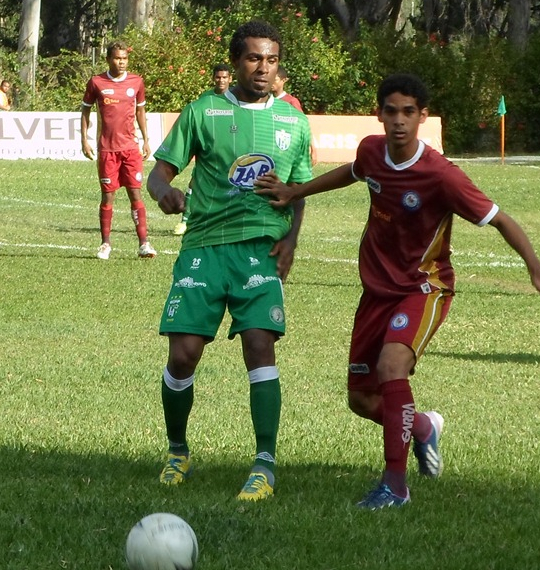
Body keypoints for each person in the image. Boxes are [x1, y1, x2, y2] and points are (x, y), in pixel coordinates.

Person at [255, 73, 540, 509]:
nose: (399, 121)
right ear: (379, 114)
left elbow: (499, 218)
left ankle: (395, 486)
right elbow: (352, 172)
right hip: (376, 291)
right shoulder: (372, 150)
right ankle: (423, 427)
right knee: (362, 400)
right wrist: (297, 192)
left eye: (409, 112)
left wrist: (535, 266)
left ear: (423, 116)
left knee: (392, 367)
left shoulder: (441, 175)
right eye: (391, 111)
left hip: (424, 288)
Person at [145, 20, 311, 501]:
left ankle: (265, 464)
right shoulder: (203, 111)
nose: (263, 68)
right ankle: (178, 451)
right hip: (204, 247)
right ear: (237, 62)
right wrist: (163, 192)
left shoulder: (294, 122)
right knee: (183, 354)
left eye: (272, 60)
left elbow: (299, 190)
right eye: (254, 58)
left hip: (260, 248)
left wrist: (291, 241)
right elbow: (159, 173)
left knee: (260, 345)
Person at [81, 40, 155, 260]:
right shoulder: (96, 82)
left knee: (135, 193)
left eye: (124, 58)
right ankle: (105, 244)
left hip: (130, 149)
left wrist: (146, 140)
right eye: (117, 58)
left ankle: (144, 243)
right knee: (108, 197)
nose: (121, 62)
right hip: (107, 150)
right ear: (108, 59)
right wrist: (84, 139)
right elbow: (85, 111)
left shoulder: (136, 82)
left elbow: (140, 112)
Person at [173, 63, 233, 237]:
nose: (221, 80)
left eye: (224, 77)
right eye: (218, 77)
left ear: (230, 79)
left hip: (229, 149)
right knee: (195, 182)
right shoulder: (206, 98)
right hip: (208, 148)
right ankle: (185, 221)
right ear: (213, 78)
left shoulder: (236, 98)